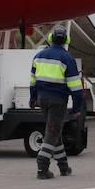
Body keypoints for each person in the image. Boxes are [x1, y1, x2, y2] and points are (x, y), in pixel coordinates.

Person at [29, 24, 82, 179]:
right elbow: (76, 87)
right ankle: (42, 166)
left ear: (51, 38)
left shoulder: (39, 55)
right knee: (52, 133)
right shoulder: (67, 58)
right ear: (66, 40)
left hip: (42, 99)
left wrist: (33, 98)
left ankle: (64, 166)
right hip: (58, 101)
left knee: (55, 132)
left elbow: (32, 81)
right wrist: (77, 107)